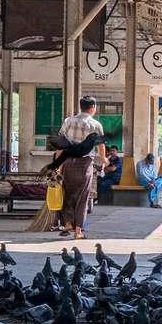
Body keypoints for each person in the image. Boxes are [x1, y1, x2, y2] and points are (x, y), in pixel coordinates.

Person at [54, 95, 104, 241]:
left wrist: (57, 165)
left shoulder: (68, 121)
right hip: (85, 164)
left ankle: (68, 223)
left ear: (80, 106)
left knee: (68, 193)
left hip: (68, 162)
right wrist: (103, 160)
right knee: (82, 197)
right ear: (93, 107)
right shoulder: (95, 125)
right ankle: (78, 232)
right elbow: (101, 146)